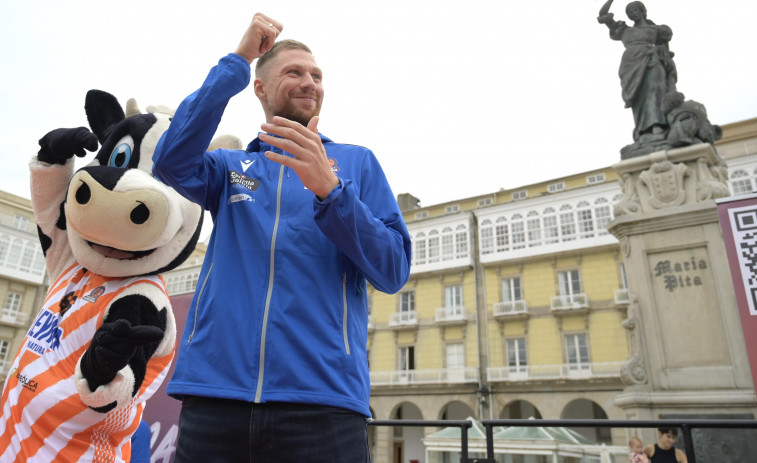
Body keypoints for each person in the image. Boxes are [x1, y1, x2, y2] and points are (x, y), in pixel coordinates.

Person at [151, 12, 412, 463]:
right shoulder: (229, 167)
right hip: (215, 398)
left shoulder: (357, 163)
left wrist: (332, 193)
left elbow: (392, 269)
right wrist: (237, 60)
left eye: (317, 75)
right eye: (294, 72)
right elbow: (170, 162)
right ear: (261, 88)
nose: (310, 82)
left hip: (324, 404)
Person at [598, 1, 677, 142]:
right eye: (630, 12)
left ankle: (658, 125)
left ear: (643, 11)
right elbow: (603, 14)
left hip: (651, 60)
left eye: (635, 10)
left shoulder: (656, 29)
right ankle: (643, 130)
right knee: (639, 98)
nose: (633, 14)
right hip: (630, 65)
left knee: (655, 90)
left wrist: (664, 58)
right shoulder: (623, 30)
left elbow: (667, 44)